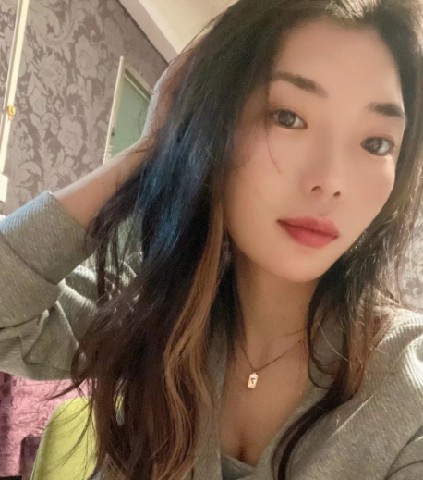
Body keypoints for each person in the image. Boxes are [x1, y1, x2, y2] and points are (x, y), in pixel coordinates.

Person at [1, 0, 423, 479]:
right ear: (215, 127)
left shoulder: (407, 390)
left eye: (376, 143)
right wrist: (157, 149)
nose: (330, 181)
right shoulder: (153, 308)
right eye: (288, 117)